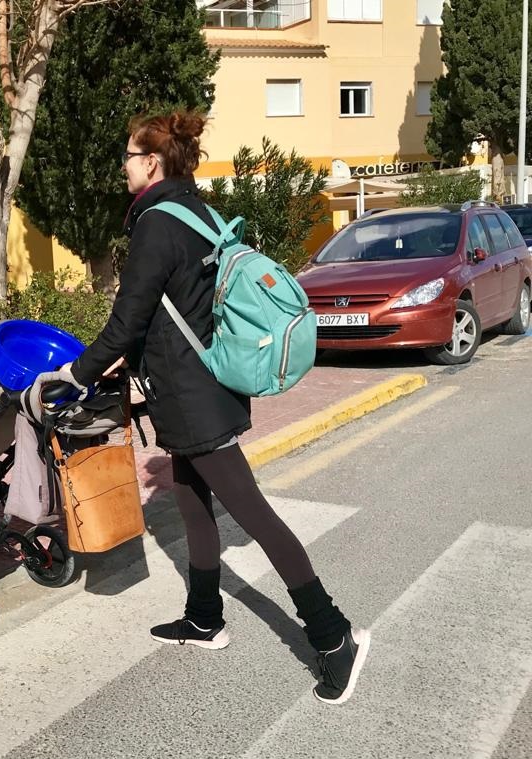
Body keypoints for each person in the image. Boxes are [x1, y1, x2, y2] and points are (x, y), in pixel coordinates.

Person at [34, 110, 370, 705]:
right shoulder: (200, 212)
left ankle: (334, 634)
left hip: (191, 398)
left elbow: (126, 323)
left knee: (255, 514)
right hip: (202, 384)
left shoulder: (156, 226)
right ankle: (204, 618)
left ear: (151, 163)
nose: (123, 165)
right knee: (192, 507)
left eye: (129, 156)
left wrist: (73, 376)